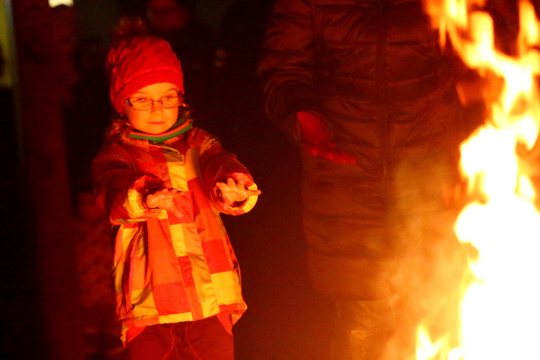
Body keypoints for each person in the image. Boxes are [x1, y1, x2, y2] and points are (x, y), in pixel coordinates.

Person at [258, 1, 482, 359]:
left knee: (439, 309)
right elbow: (283, 72)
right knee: (363, 320)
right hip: (345, 176)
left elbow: (479, 54)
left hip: (430, 174)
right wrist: (304, 118)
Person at [92, 18, 260, 360]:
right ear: (121, 103)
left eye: (167, 97)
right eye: (142, 99)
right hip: (152, 303)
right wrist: (144, 197)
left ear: (180, 99)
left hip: (210, 299)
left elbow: (221, 165)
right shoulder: (119, 154)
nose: (157, 109)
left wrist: (235, 187)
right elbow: (112, 194)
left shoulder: (200, 145)